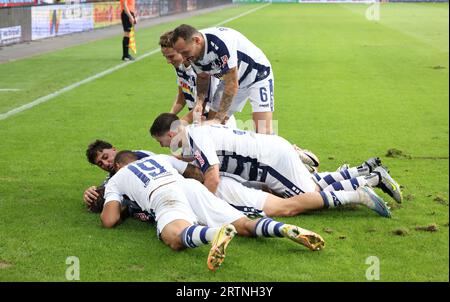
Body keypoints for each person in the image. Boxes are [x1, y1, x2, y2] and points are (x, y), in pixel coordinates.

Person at [101, 151, 325, 271]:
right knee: (245, 224)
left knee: (175, 238)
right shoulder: (158, 158)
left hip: (162, 195)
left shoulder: (117, 178)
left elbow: (109, 220)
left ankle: (213, 234)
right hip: (190, 187)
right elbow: (193, 172)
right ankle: (283, 228)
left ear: (120, 165)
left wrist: (114, 202)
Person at [149, 113, 403, 206]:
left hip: (270, 162)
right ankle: (364, 169)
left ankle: (370, 180)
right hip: (272, 151)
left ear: (171, 134)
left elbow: (213, 177)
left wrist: (207, 206)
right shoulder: (198, 132)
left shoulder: (198, 139)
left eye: (163, 142)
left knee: (307, 197)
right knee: (312, 184)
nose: (166, 146)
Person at [170, 24, 275, 134]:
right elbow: (202, 77)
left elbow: (232, 84)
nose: (183, 58)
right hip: (231, 78)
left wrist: (218, 119)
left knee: (263, 131)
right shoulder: (192, 52)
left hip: (257, 75)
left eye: (185, 52)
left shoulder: (221, 42)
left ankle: (289, 149)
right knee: (211, 129)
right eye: (180, 53)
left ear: (197, 40)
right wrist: (200, 102)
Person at [83, 139, 203, 221]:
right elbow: (106, 189)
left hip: (176, 191)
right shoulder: (112, 178)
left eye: (105, 157)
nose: (105, 163)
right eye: (100, 163)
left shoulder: (139, 156)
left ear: (114, 149)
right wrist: (91, 193)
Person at [159, 30, 236, 127]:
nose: (168, 61)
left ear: (180, 50)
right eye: (165, 57)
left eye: (171, 56)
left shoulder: (202, 69)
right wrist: (169, 117)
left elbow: (202, 105)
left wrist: (176, 126)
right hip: (199, 120)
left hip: (216, 120)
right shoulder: (179, 67)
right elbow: (182, 96)